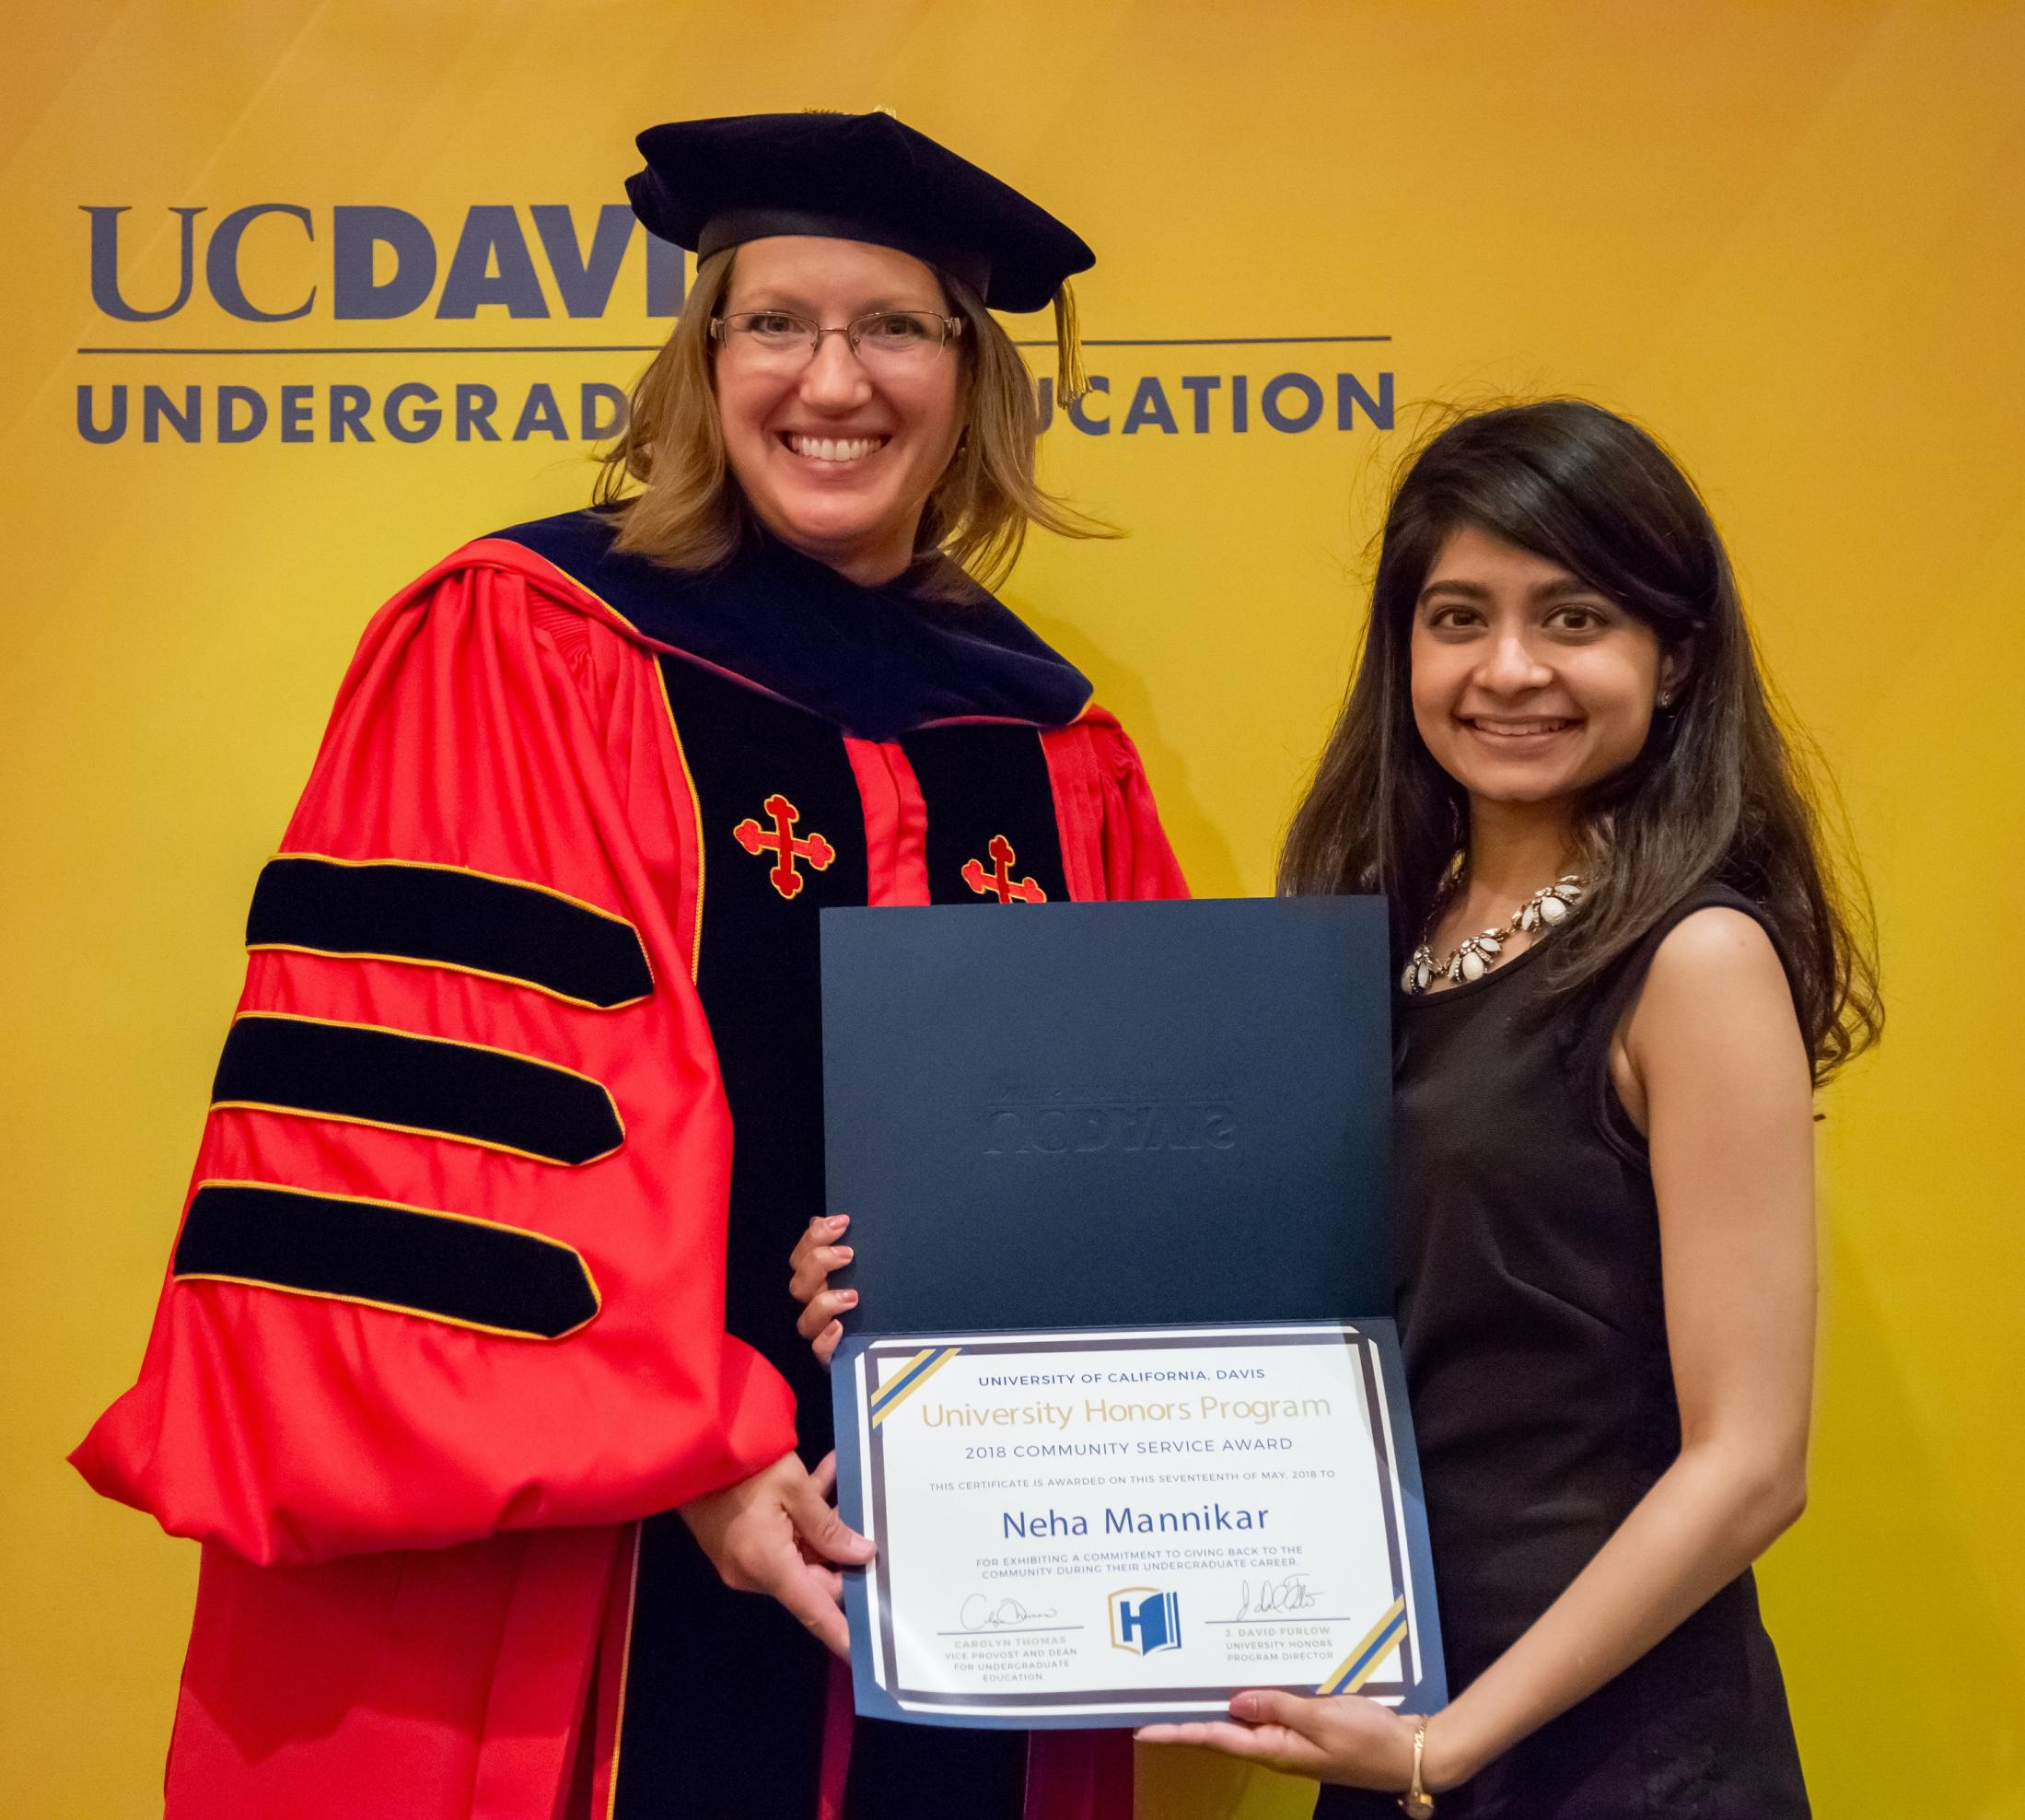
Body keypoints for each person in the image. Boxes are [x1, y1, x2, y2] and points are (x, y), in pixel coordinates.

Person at [73, 111, 1183, 1820]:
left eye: (895, 327)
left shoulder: (1049, 737)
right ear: (705, 357)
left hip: (977, 1539)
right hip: (618, 1548)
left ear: (972, 379)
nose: (836, 379)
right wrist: (702, 1448)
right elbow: (442, 1111)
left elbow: (1150, 1149)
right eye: (777, 324)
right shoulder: (530, 645)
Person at [793, 399, 1880, 1817]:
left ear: (1673, 661)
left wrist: (1458, 1740)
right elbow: (1223, 1298)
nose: (1509, 670)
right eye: (1457, 616)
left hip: (1609, 1748)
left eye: (1573, 618)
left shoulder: (1695, 958)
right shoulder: (1372, 948)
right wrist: (913, 1294)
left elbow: (1751, 1467)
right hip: (1389, 1710)